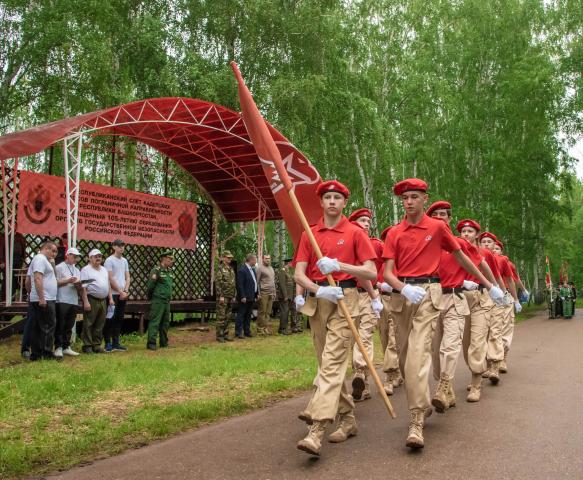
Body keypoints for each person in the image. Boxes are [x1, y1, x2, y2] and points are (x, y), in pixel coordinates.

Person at [382, 179, 504, 449]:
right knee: (404, 361)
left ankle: (415, 422)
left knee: (417, 357)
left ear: (425, 199)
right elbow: (388, 271)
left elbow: (463, 258)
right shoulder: (394, 232)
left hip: (429, 293)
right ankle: (422, 402)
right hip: (403, 297)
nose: (409, 202)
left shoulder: (437, 228)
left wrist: (489, 286)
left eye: (415, 196)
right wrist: (402, 287)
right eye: (405, 198)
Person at [294, 180, 377, 456]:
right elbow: (299, 273)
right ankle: (349, 419)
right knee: (328, 365)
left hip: (345, 302)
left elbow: (370, 272)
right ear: (321, 202)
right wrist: (318, 289)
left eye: (337, 197)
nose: (331, 201)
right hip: (319, 302)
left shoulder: (355, 233)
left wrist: (339, 266)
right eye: (327, 197)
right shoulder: (310, 233)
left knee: (330, 365)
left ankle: (316, 430)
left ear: (344, 203)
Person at [426, 203, 498, 412]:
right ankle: (446, 388)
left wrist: (493, 287)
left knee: (469, 343)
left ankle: (474, 383)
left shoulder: (459, 243)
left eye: (443, 215)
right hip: (435, 299)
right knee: (437, 348)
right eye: (435, 214)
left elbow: (479, 264)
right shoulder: (427, 245)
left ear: (449, 218)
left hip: (464, 298)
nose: (439, 217)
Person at [457, 219, 503, 402]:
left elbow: (495, 276)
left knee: (477, 341)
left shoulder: (485, 254)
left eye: (470, 231)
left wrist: (500, 293)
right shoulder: (456, 251)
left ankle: (476, 383)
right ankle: (476, 370)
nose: (466, 234)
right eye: (463, 231)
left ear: (477, 234)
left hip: (482, 298)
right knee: (466, 343)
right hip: (461, 299)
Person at [347, 208, 384, 402]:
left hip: (369, 294)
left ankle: (360, 372)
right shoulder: (350, 241)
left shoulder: (375, 244)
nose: (366, 224)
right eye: (362, 220)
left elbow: (381, 267)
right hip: (354, 294)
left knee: (365, 335)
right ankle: (364, 382)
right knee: (356, 338)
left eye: (368, 221)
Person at [479, 232, 518, 384]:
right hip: (481, 296)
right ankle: (488, 365)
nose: (488, 245)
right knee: (484, 333)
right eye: (484, 242)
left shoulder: (502, 260)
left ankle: (498, 362)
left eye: (490, 242)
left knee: (500, 330)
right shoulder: (475, 256)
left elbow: (509, 279)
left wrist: (512, 298)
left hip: (500, 297)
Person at [377, 225, 403, 395]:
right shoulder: (382, 260)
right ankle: (396, 372)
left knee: (394, 338)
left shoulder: (403, 259)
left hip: (397, 299)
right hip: (381, 299)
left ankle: (388, 377)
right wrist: (378, 285)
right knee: (385, 336)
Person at [80, 249, 114, 354]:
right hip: (92, 299)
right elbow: (83, 287)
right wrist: (85, 301)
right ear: (90, 258)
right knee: (89, 323)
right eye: (95, 256)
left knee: (100, 323)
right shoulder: (86, 270)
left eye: (100, 256)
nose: (98, 258)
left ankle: (96, 345)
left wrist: (110, 298)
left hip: (103, 300)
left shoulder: (104, 269)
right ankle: (87, 345)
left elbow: (108, 284)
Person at [28, 241, 59, 361]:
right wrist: (41, 297)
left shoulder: (42, 260)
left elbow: (27, 280)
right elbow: (37, 278)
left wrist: (32, 295)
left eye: (56, 251)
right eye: (53, 250)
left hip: (43, 297)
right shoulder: (40, 259)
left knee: (38, 326)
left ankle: (36, 354)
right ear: (46, 248)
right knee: (48, 325)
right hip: (45, 298)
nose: (55, 254)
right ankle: (46, 353)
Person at [54, 247, 82, 358]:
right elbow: (54, 282)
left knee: (70, 324)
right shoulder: (59, 267)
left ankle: (66, 346)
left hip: (73, 299)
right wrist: (68, 280)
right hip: (62, 299)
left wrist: (79, 284)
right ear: (68, 255)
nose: (76, 259)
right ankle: (58, 347)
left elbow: (79, 285)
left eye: (78, 257)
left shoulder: (77, 269)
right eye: (74, 257)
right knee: (60, 324)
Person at [103, 239, 130, 352]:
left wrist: (126, 290)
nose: (121, 248)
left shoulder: (124, 261)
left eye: (123, 246)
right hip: (113, 294)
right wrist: (120, 291)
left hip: (123, 294)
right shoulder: (109, 260)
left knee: (119, 318)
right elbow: (110, 278)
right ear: (114, 247)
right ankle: (107, 343)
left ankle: (116, 342)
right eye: (119, 246)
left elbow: (127, 276)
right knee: (110, 318)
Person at [146, 250, 174, 350]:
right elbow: (150, 286)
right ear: (163, 259)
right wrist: (152, 297)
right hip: (158, 300)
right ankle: (151, 343)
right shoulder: (156, 270)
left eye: (172, 259)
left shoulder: (170, 271)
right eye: (170, 259)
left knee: (165, 323)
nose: (172, 261)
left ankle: (163, 342)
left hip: (167, 301)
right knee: (155, 321)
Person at [235, 254, 258, 339]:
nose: (256, 261)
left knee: (248, 315)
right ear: (250, 260)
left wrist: (257, 293)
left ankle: (247, 331)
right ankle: (238, 332)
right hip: (244, 298)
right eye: (255, 260)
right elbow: (240, 285)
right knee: (241, 314)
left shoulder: (253, 270)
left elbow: (255, 283)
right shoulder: (242, 270)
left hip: (251, 296)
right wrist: (242, 296)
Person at [215, 250, 236, 342]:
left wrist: (234, 294)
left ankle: (226, 334)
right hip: (223, 297)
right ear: (223, 258)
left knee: (228, 316)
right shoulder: (220, 269)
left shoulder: (231, 269)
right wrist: (221, 296)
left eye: (231, 258)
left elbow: (233, 283)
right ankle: (220, 336)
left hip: (230, 296)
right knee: (221, 316)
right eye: (228, 257)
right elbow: (218, 284)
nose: (230, 259)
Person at [277, 258, 299, 334]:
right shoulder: (282, 271)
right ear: (288, 263)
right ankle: (282, 329)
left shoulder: (289, 271)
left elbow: (292, 284)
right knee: (284, 312)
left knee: (290, 311)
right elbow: (282, 284)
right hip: (284, 296)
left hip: (290, 296)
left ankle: (291, 327)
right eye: (291, 263)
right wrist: (285, 296)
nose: (292, 264)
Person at [256, 254, 276, 335]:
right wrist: (258, 293)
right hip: (263, 293)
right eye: (266, 258)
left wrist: (274, 292)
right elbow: (257, 282)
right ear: (263, 259)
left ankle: (265, 327)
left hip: (271, 293)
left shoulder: (271, 268)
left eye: (269, 258)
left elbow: (273, 281)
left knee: (268, 312)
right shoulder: (260, 268)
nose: (268, 260)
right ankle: (260, 328)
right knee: (262, 311)